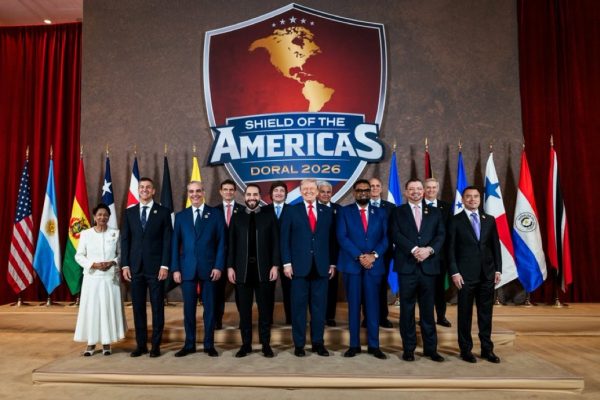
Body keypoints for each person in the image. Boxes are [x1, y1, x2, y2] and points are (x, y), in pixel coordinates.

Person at [390, 179, 445, 362]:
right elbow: (395, 234)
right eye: (411, 189)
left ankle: (431, 349)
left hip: (429, 267)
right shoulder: (397, 212)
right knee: (407, 310)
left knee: (428, 310)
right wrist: (414, 249)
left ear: (423, 191)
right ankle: (409, 349)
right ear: (406, 192)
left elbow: (441, 235)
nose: (416, 192)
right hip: (407, 267)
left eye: (419, 189)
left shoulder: (435, 212)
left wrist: (429, 250)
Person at [280, 178, 336, 357]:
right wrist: (287, 263)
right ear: (301, 191)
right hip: (298, 268)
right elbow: (284, 240)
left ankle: (318, 343)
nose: (309, 191)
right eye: (305, 189)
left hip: (321, 267)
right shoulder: (291, 211)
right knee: (298, 309)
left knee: (319, 308)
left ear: (317, 191)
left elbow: (332, 240)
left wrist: (332, 263)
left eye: (312, 188)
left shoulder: (327, 212)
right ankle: (299, 345)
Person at [171, 181, 226, 357]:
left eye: (198, 191)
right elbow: (175, 245)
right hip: (187, 269)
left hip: (209, 269)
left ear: (203, 192)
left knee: (210, 309)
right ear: (188, 194)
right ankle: (189, 344)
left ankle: (209, 344)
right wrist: (175, 269)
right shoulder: (181, 217)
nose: (194, 194)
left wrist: (218, 266)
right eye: (191, 191)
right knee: (189, 310)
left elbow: (222, 243)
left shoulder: (216, 214)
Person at [448, 186, 502, 363]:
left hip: (487, 274)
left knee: (485, 314)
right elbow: (450, 249)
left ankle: (487, 349)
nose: (472, 199)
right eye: (468, 197)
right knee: (465, 314)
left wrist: (498, 269)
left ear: (480, 199)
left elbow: (495, 246)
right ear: (463, 200)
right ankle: (466, 350)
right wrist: (455, 272)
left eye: (476, 196)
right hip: (464, 276)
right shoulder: (455, 220)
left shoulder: (489, 220)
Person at [337, 179, 388, 359]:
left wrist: (373, 255)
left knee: (373, 306)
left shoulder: (381, 212)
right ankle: (354, 345)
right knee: (353, 307)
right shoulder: (344, 212)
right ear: (354, 192)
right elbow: (342, 237)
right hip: (352, 266)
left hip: (373, 266)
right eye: (359, 190)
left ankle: (374, 345)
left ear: (371, 192)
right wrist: (360, 256)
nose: (363, 193)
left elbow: (386, 238)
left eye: (367, 190)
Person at [227, 184, 280, 358]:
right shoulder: (237, 217)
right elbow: (231, 244)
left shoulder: (269, 216)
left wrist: (275, 265)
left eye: (255, 194)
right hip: (242, 272)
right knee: (244, 312)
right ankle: (246, 345)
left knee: (265, 311)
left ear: (260, 196)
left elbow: (275, 243)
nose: (252, 197)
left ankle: (266, 344)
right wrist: (230, 267)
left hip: (263, 271)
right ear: (244, 197)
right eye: (249, 194)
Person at [121, 177, 172, 358]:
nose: (144, 190)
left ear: (153, 191)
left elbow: (167, 241)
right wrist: (125, 264)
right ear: (138, 190)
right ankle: (141, 345)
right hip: (135, 268)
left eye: (148, 187)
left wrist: (165, 265)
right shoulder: (129, 213)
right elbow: (125, 240)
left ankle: (155, 346)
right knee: (138, 308)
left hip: (156, 268)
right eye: (141, 187)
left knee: (157, 307)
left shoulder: (163, 212)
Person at [74, 203, 126, 356]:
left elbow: (121, 254)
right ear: (94, 217)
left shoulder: (115, 233)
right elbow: (79, 256)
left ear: (109, 217)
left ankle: (106, 343)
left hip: (110, 279)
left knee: (107, 310)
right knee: (93, 310)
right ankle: (90, 344)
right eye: (99, 215)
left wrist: (112, 262)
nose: (102, 217)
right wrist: (93, 264)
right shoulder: (86, 234)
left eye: (105, 215)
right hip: (92, 279)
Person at [214, 179, 245, 330]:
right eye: (225, 189)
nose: (228, 192)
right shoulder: (213, 211)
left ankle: (243, 322)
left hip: (239, 258)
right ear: (220, 192)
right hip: (218, 258)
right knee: (218, 292)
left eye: (231, 189)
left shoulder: (243, 210)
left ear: (235, 191)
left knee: (241, 293)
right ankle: (216, 322)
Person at [423, 177, 453, 328]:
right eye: (428, 187)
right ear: (424, 189)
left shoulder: (446, 207)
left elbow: (449, 232)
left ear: (438, 188)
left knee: (439, 289)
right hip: (421, 255)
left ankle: (441, 316)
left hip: (440, 256)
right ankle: (425, 318)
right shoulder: (417, 206)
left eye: (434, 187)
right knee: (424, 290)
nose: (431, 190)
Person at [366, 177, 395, 328]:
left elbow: (393, 232)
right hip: (365, 254)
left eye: (377, 185)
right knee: (366, 287)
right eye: (372, 186)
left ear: (381, 188)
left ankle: (383, 317)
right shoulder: (362, 205)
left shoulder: (391, 207)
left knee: (382, 286)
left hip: (384, 253)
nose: (375, 188)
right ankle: (367, 318)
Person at [262, 181, 291, 325]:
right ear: (271, 194)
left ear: (286, 194)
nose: (279, 193)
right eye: (276, 190)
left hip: (289, 257)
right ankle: (268, 321)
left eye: (282, 191)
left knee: (290, 291)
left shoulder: (293, 210)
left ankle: (291, 320)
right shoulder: (263, 211)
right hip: (268, 257)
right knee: (267, 292)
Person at [317, 180, 341, 327]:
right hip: (315, 255)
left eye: (328, 192)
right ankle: (317, 317)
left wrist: (334, 260)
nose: (326, 194)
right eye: (323, 192)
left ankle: (330, 316)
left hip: (333, 254)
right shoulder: (311, 209)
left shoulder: (339, 209)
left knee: (332, 287)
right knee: (316, 289)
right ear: (317, 193)